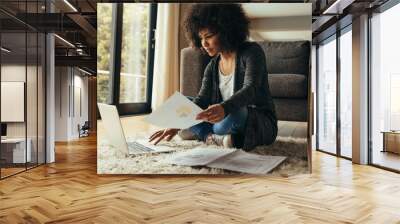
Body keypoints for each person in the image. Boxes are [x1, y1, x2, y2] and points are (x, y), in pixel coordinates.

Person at [149, 3, 277, 151]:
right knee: (186, 104)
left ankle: (209, 135)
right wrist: (177, 123)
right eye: (201, 38)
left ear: (226, 31)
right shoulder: (212, 65)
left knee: (235, 112)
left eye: (209, 36)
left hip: (255, 120)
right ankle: (217, 139)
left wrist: (224, 107)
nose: (204, 43)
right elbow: (201, 100)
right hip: (222, 120)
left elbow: (251, 89)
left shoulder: (252, 52)